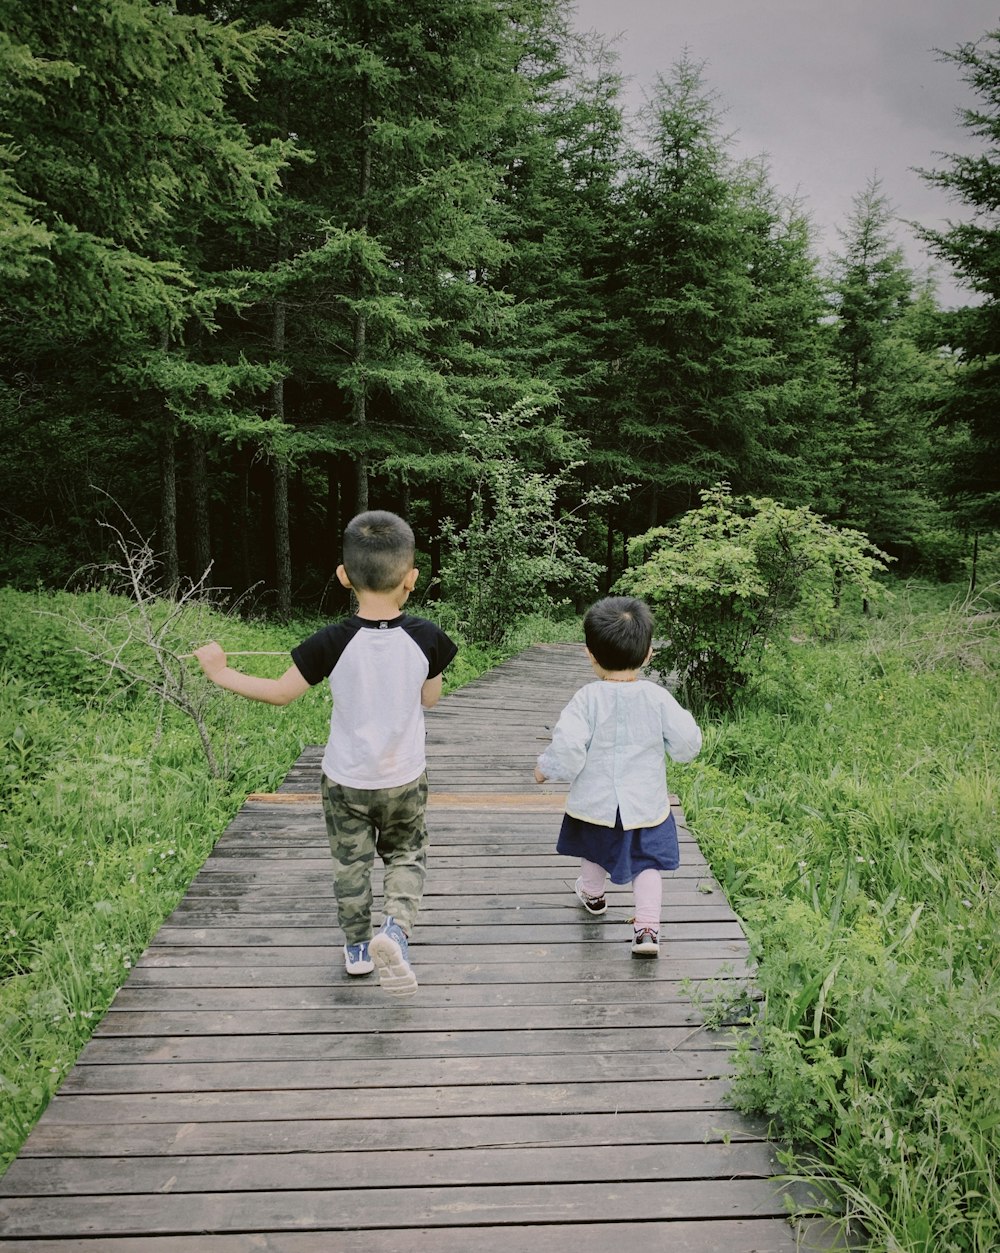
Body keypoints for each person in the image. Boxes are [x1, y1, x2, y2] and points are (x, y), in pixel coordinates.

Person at [195, 510, 457, 997]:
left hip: (345, 780)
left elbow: (279, 693)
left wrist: (219, 672)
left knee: (350, 863)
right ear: (411, 579)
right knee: (407, 854)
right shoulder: (428, 637)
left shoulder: (331, 642)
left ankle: (358, 949)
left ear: (343, 576)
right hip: (403, 777)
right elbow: (430, 699)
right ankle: (395, 931)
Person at [534, 596, 701, 958]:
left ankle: (593, 895)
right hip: (646, 804)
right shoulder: (657, 698)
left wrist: (545, 768)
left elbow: (569, 747)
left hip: (596, 802)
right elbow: (688, 741)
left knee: (594, 849)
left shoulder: (586, 699)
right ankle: (646, 930)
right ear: (648, 654)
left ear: (590, 654)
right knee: (648, 864)